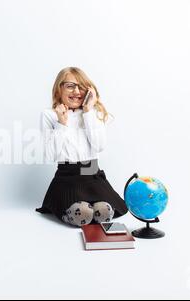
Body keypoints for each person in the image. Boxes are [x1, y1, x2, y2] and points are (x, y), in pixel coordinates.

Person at [35, 67, 128, 227]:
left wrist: (88, 112)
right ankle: (79, 211)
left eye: (81, 86)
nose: (77, 91)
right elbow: (51, 155)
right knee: (82, 213)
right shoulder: (49, 115)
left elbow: (99, 146)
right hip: (67, 179)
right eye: (70, 86)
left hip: (92, 175)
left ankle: (91, 208)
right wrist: (61, 124)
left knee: (104, 211)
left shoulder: (92, 112)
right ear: (59, 89)